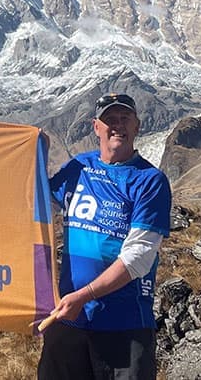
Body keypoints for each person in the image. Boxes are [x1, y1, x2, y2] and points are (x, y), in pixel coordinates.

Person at [38, 93, 172, 380]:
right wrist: (38, 153)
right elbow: (40, 203)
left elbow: (138, 258)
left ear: (137, 126)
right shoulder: (79, 167)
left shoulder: (150, 181)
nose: (118, 125)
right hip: (68, 320)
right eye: (110, 119)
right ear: (96, 127)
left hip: (124, 326)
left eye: (125, 119)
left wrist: (82, 297)